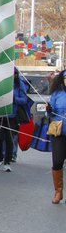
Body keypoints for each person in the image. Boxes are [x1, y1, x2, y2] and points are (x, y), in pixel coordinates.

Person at [0, 67, 30, 172]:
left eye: (14, 74)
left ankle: (7, 162)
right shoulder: (2, 84)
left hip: (13, 116)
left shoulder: (20, 85)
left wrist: (14, 99)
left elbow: (24, 100)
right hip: (1, 115)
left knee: (10, 140)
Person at [47, 70, 66, 203]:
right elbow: (50, 114)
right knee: (57, 162)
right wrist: (49, 111)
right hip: (59, 132)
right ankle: (58, 191)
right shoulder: (57, 94)